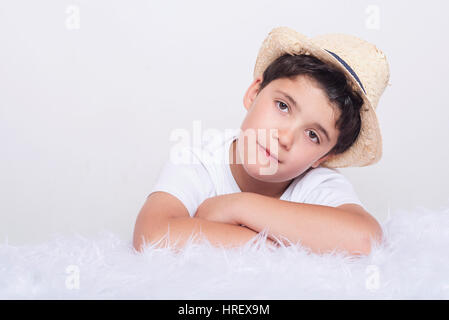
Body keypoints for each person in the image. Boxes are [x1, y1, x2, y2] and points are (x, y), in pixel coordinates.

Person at [133, 26, 390, 256]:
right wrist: (282, 245)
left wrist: (237, 206)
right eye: (283, 106)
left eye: (313, 135)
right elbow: (151, 236)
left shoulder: (317, 184)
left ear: (325, 157)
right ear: (254, 93)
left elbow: (365, 239)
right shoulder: (198, 160)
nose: (285, 137)